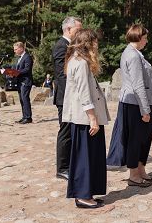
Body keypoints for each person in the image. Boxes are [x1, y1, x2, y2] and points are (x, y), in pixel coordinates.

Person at [62, 28, 110, 208]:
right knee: (85, 157)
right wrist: (93, 118)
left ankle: (87, 192)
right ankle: (82, 195)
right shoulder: (80, 63)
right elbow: (84, 93)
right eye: (95, 42)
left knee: (90, 156)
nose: (97, 45)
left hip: (84, 118)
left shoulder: (77, 61)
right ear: (88, 43)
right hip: (85, 119)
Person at [107, 24, 152, 187]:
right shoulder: (133, 56)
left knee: (144, 139)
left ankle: (141, 171)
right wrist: (145, 109)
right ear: (137, 37)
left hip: (141, 103)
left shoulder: (136, 54)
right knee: (136, 140)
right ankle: (134, 175)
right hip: (135, 105)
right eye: (145, 38)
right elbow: (137, 85)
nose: (146, 41)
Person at [53, 16, 82, 180]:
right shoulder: (61, 46)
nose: (80, 33)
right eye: (78, 29)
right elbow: (61, 76)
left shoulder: (69, 45)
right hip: (65, 97)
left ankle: (71, 163)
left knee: (71, 132)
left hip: (71, 97)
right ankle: (62, 168)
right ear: (68, 29)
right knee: (65, 133)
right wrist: (72, 96)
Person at [2, 42, 33, 124]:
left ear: (21, 48)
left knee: (25, 98)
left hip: (25, 82)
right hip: (19, 82)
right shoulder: (18, 58)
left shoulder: (27, 57)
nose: (14, 51)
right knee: (21, 99)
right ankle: (24, 116)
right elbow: (14, 68)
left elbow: (27, 69)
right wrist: (8, 72)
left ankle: (28, 117)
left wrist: (16, 72)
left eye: (16, 49)